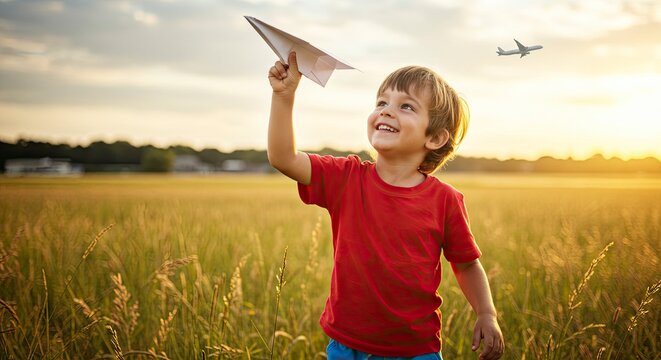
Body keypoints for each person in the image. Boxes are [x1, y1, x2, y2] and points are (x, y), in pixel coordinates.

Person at [266, 51, 504, 360]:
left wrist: (487, 313)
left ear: (434, 137)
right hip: (347, 345)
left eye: (406, 106)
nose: (387, 111)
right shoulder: (346, 178)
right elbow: (283, 158)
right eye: (381, 103)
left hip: (414, 350)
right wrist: (284, 97)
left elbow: (467, 263)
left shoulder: (445, 200)